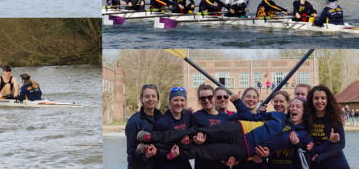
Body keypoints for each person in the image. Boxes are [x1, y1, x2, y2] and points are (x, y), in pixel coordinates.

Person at [136, 95, 325, 166]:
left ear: (304, 111)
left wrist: (298, 144)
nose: (293, 108)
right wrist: (237, 102)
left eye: (297, 107)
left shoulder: (304, 133)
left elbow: (310, 153)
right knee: (197, 133)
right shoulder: (277, 115)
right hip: (239, 130)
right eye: (292, 105)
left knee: (202, 151)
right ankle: (153, 136)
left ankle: (155, 150)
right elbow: (251, 117)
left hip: (245, 150)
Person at [306, 85, 348, 169]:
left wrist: (321, 157)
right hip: (316, 164)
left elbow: (341, 144)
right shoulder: (307, 119)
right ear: (311, 100)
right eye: (316, 98)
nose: (319, 101)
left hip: (336, 164)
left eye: (323, 98)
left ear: (328, 100)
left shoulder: (335, 118)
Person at [191, 84, 232, 169]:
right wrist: (196, 141)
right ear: (200, 100)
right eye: (203, 98)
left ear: (214, 97)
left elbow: (231, 140)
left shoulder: (226, 117)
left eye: (209, 97)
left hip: (222, 163)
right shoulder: (196, 116)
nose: (206, 100)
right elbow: (192, 136)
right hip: (204, 163)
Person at [154, 87, 193, 169]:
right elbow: (156, 151)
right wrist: (169, 156)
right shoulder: (162, 122)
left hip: (184, 162)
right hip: (167, 164)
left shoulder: (188, 114)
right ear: (169, 102)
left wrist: (188, 136)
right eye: (175, 100)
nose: (179, 103)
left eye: (182, 100)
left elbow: (193, 129)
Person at [126, 84, 162, 169]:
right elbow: (130, 149)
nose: (151, 99)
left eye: (153, 96)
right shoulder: (134, 121)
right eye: (147, 96)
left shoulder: (162, 118)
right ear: (141, 99)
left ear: (157, 99)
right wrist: (145, 155)